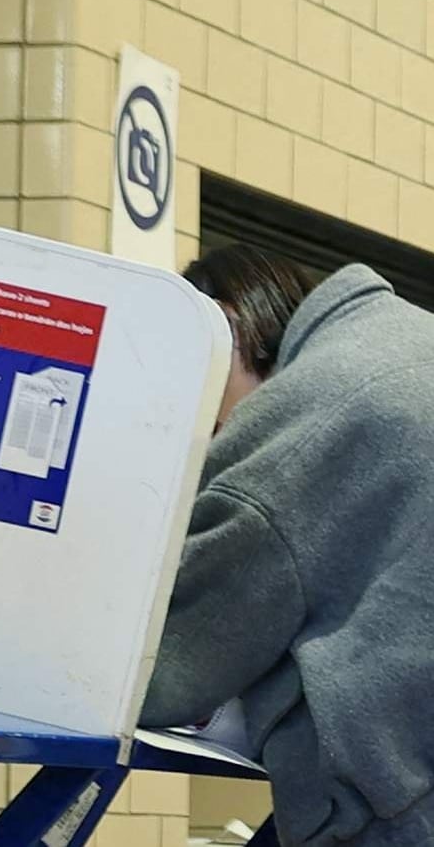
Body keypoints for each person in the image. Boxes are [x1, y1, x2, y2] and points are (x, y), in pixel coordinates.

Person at [143, 243, 434, 847]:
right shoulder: (407, 338)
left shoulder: (304, 418)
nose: (214, 432)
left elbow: (168, 665)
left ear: (224, 328)